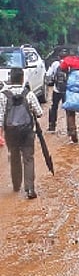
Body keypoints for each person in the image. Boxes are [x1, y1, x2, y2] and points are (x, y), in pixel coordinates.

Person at [0, 68, 44, 199]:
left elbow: (1, 117)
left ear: (10, 79)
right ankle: (30, 189)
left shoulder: (3, 95)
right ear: (22, 78)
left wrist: (1, 133)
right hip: (27, 131)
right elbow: (39, 112)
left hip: (11, 131)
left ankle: (16, 184)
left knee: (14, 156)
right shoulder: (28, 94)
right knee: (28, 158)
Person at [45, 51, 68, 132]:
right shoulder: (69, 64)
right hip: (66, 90)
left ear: (59, 57)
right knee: (68, 109)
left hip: (56, 90)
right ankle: (70, 128)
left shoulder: (55, 64)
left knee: (54, 107)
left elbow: (48, 74)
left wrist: (49, 81)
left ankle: (52, 126)